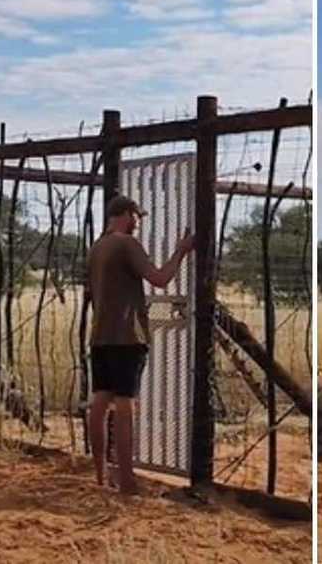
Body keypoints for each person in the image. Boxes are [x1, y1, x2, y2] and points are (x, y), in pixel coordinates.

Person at [86, 195, 195, 494]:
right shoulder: (126, 244)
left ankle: (99, 475)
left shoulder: (96, 247)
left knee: (99, 404)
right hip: (126, 337)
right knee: (124, 407)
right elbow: (160, 278)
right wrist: (181, 251)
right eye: (137, 216)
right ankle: (128, 481)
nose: (139, 222)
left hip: (100, 336)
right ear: (125, 214)